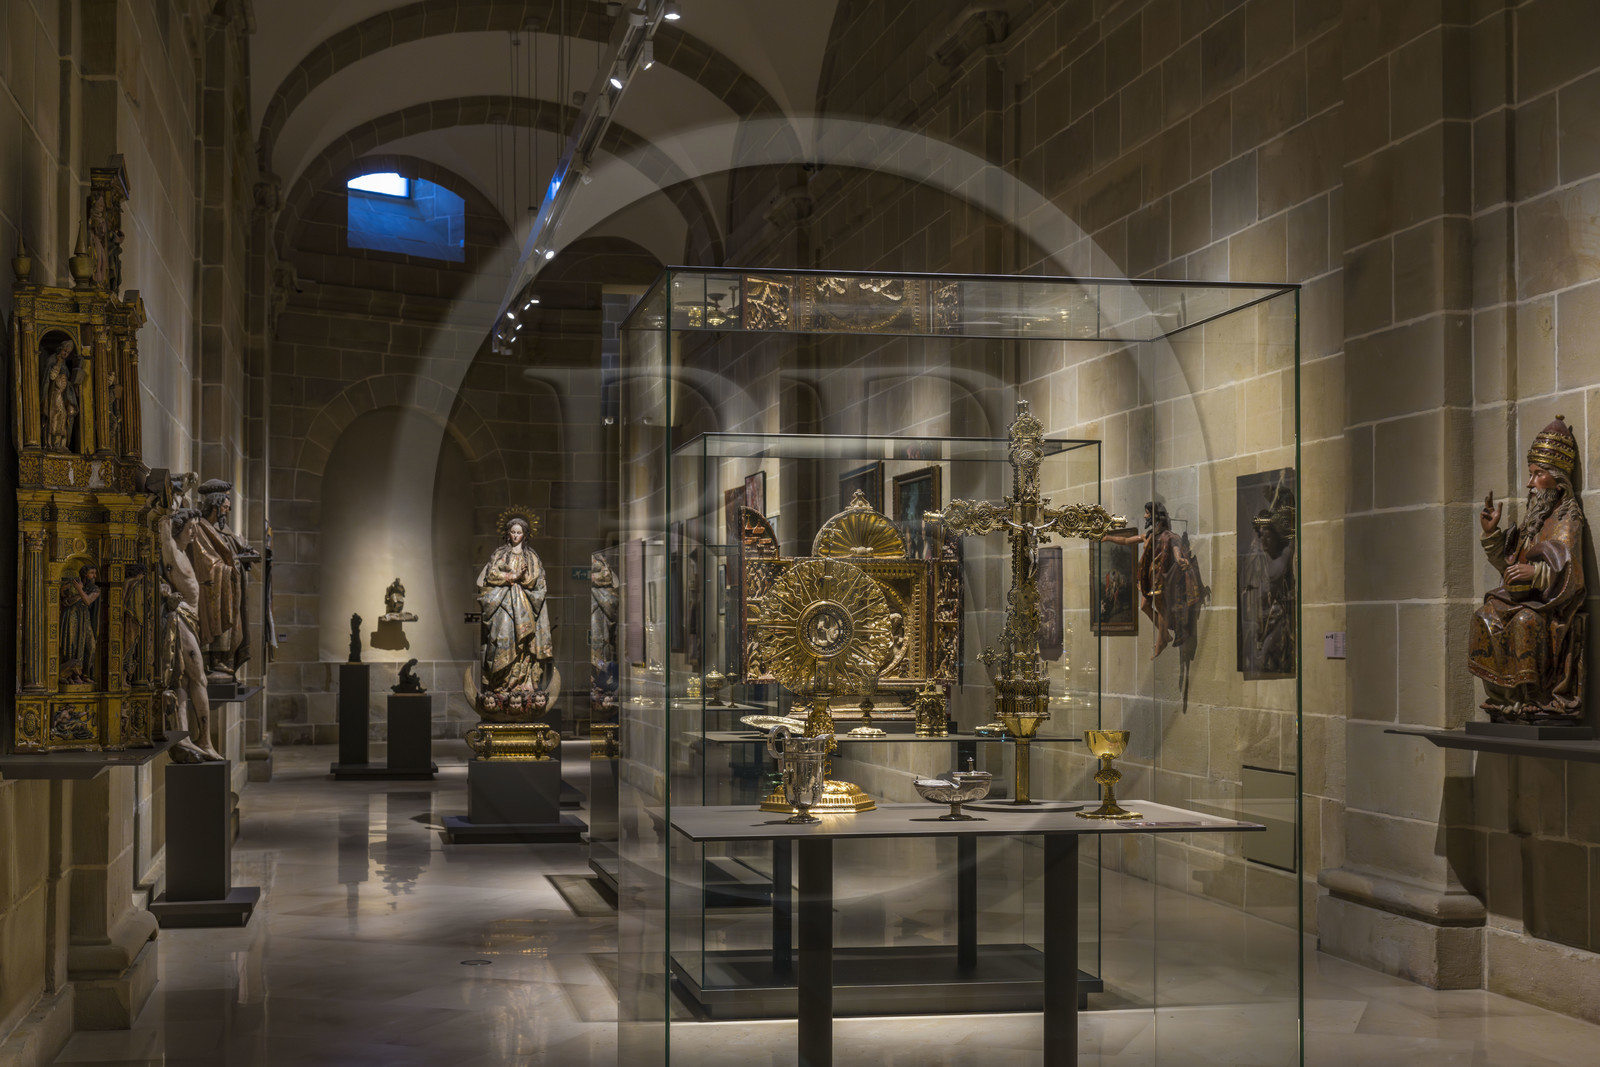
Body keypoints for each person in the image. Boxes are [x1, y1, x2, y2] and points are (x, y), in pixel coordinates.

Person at [1470, 416, 1587, 722]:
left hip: (1550, 608)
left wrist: (1535, 574)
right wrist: (1492, 535)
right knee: (1483, 615)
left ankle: (1532, 699)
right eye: (1531, 474)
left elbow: (1572, 573)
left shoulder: (1567, 517)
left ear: (1557, 478)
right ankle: (1504, 699)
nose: (1530, 483)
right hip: (1522, 598)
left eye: (1537, 475)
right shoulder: (1534, 519)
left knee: (1524, 620)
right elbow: (1509, 565)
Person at [476, 514, 552, 698]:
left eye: (519, 532)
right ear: (508, 533)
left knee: (524, 644)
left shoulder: (532, 557)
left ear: (525, 535)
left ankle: (523, 683)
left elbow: (540, 582)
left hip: (525, 607)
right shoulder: (500, 554)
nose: (516, 536)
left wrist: (524, 580)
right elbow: (490, 575)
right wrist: (512, 577)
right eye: (513, 532)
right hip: (502, 605)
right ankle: (500, 684)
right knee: (502, 639)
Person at [59, 564, 102, 684]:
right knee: (72, 645)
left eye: (95, 573)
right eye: (92, 573)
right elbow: (65, 599)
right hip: (72, 617)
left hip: (85, 619)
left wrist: (79, 590)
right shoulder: (74, 584)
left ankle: (85, 674)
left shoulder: (95, 589)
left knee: (90, 646)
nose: (94, 576)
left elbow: (87, 601)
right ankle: (73, 674)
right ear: (85, 574)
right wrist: (75, 592)